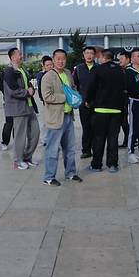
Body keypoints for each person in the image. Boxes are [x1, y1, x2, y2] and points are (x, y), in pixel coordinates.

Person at [41, 49, 82, 185]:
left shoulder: (68, 73)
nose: (60, 61)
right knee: (52, 149)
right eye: (58, 59)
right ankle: (49, 177)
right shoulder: (48, 76)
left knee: (70, 148)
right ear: (53, 60)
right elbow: (47, 96)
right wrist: (66, 97)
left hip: (68, 116)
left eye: (63, 59)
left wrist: (75, 96)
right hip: (55, 119)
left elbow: (73, 87)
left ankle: (71, 173)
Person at [86, 49, 127, 172]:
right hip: (117, 110)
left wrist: (88, 101)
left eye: (100, 57)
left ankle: (96, 165)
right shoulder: (121, 70)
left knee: (99, 138)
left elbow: (91, 87)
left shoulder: (97, 69)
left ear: (103, 58)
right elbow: (125, 88)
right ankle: (112, 165)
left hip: (101, 109)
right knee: (113, 138)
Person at [3, 48, 39, 170]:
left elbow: (28, 84)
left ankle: (27, 157)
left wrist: (31, 89)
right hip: (18, 108)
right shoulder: (9, 71)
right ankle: (18, 161)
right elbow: (12, 91)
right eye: (19, 54)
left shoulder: (22, 69)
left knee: (35, 133)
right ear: (13, 57)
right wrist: (27, 92)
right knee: (20, 136)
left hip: (29, 106)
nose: (22, 56)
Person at [73, 46, 97, 159]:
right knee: (86, 127)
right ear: (83, 55)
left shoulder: (99, 68)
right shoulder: (79, 68)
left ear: (94, 55)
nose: (89, 55)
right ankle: (86, 150)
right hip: (83, 103)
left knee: (96, 127)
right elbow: (75, 84)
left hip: (97, 103)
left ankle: (97, 149)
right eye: (87, 53)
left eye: (91, 53)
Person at [36, 56, 54, 146]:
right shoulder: (41, 75)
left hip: (54, 102)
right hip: (44, 102)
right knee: (43, 122)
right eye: (47, 65)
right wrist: (43, 100)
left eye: (51, 64)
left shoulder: (55, 74)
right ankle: (44, 139)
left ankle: (53, 138)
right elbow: (40, 89)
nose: (50, 66)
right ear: (43, 66)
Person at [118, 51, 131, 149]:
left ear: (128, 59)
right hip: (122, 99)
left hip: (127, 100)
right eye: (119, 59)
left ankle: (129, 140)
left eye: (121, 59)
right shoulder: (122, 70)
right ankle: (128, 140)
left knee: (124, 121)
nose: (120, 61)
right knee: (123, 121)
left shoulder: (129, 71)